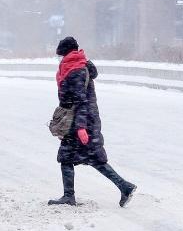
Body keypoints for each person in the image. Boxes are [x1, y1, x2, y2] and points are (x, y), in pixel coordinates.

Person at [48, 36, 137, 208]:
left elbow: (81, 101)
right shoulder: (78, 66)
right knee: (94, 158)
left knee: (66, 157)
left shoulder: (76, 70)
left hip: (80, 121)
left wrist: (81, 127)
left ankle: (69, 196)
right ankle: (125, 186)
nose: (59, 59)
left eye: (60, 55)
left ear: (66, 53)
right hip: (86, 120)